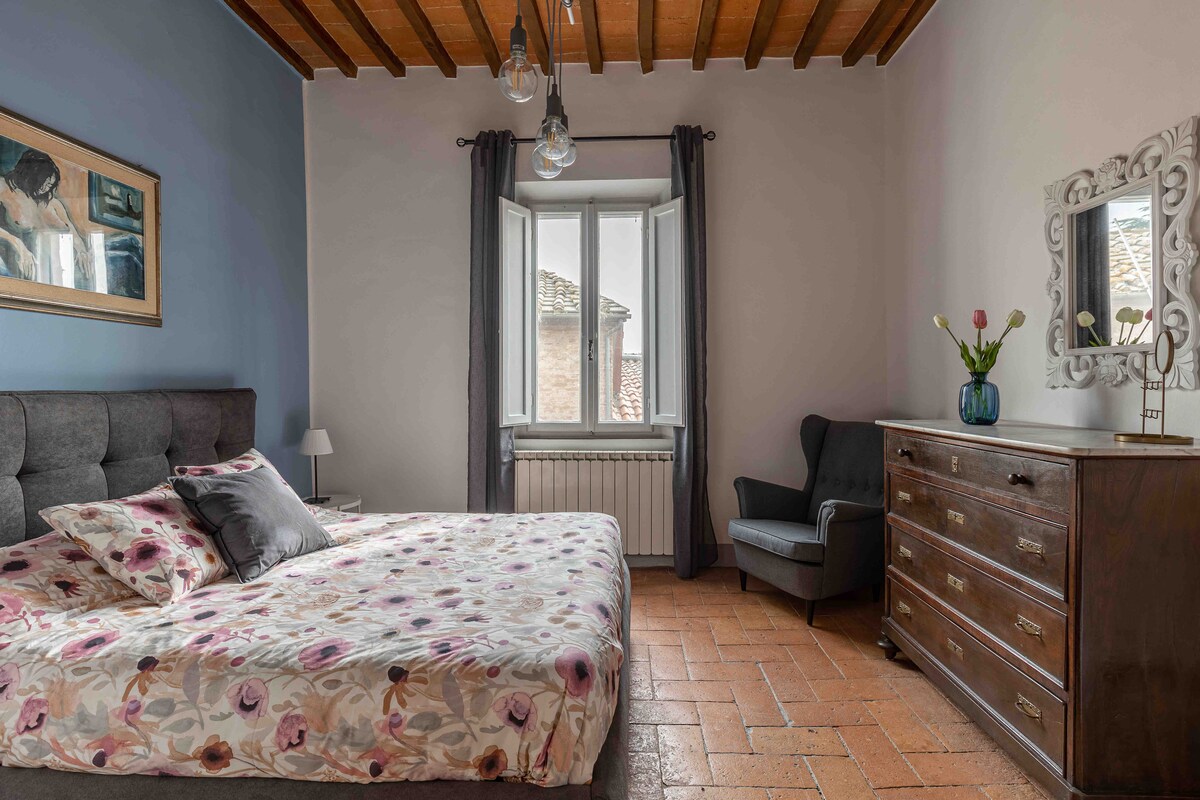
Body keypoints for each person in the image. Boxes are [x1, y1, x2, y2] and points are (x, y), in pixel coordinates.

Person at [0, 148, 93, 288]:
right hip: (24, 272)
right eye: (44, 183)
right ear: (30, 176)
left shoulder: (54, 203)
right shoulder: (4, 188)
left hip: (62, 273)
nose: (46, 189)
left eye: (50, 185)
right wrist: (18, 244)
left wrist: (81, 251)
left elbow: (74, 235)